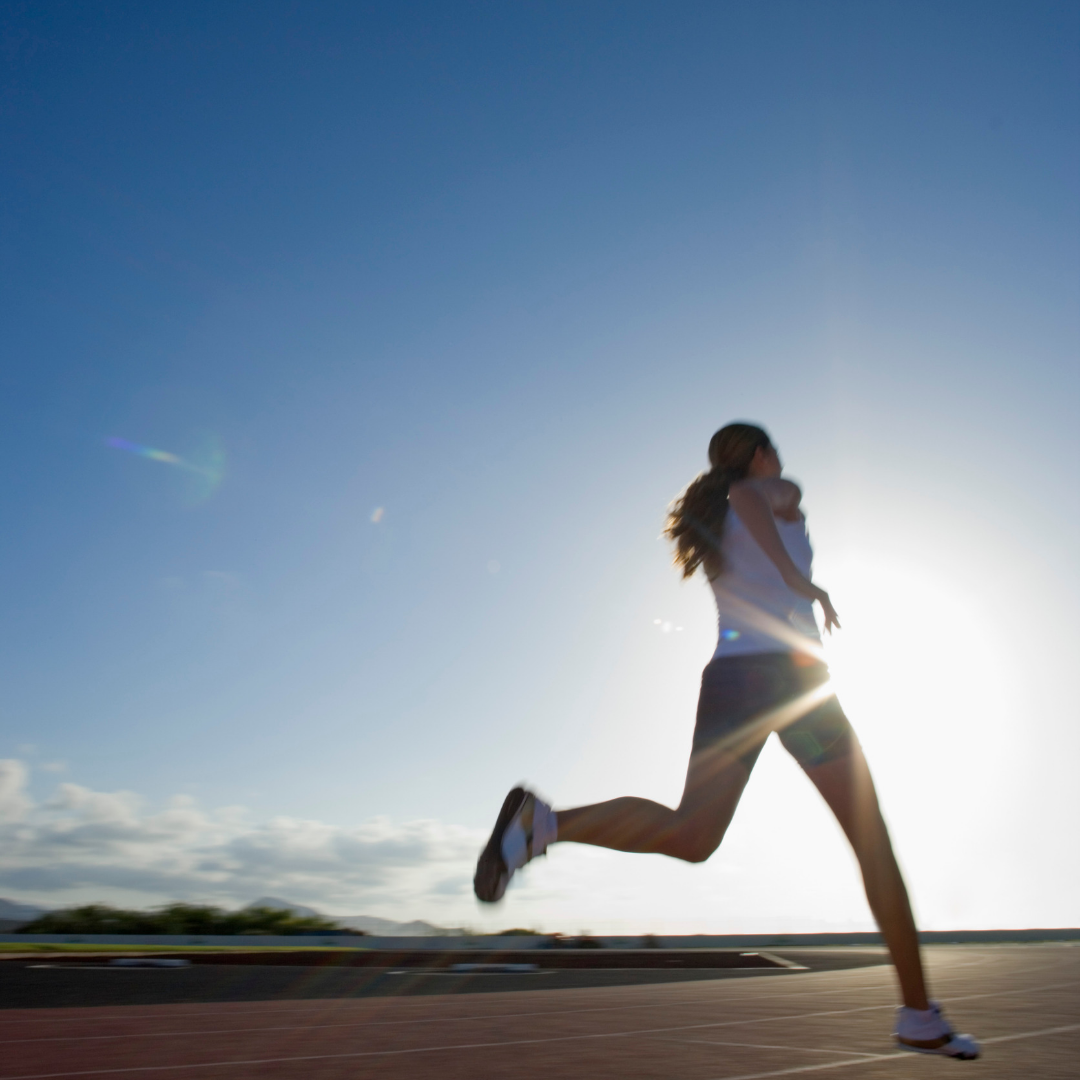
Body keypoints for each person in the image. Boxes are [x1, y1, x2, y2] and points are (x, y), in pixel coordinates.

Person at [473, 422, 979, 1060]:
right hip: (791, 680)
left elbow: (739, 507)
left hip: (735, 680)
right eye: (773, 451)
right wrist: (802, 584)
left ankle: (540, 824)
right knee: (871, 839)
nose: (780, 461)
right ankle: (917, 1015)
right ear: (760, 455)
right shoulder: (768, 491)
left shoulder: (717, 521)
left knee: (693, 836)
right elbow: (748, 498)